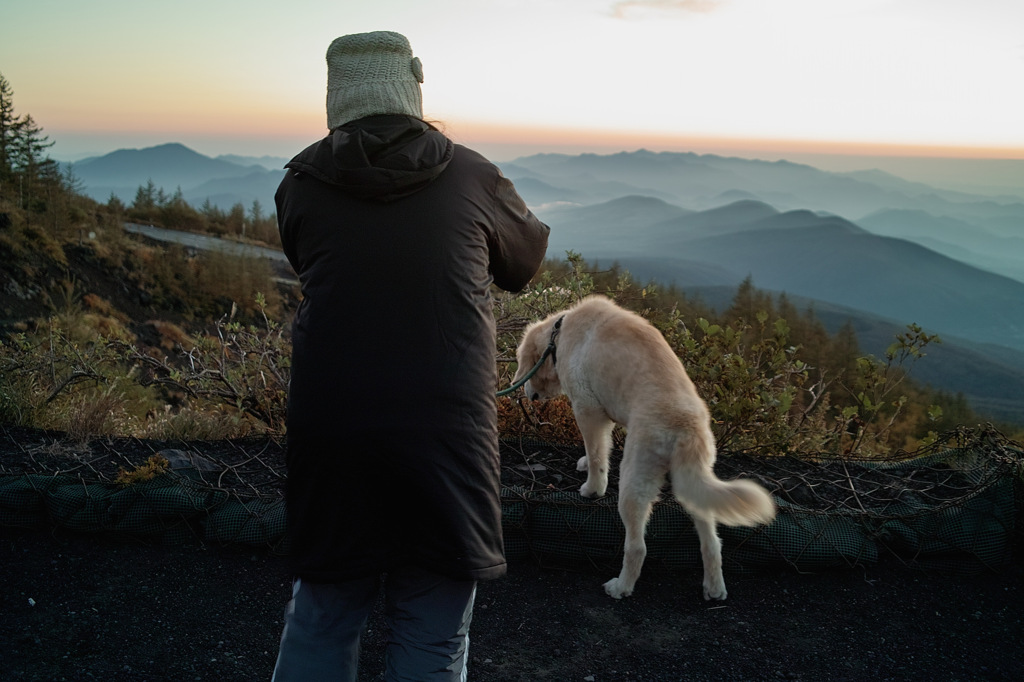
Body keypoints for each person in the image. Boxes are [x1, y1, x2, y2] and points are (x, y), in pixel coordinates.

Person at [271, 30, 550, 681]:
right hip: (447, 435)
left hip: (333, 431)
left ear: (336, 97)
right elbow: (525, 261)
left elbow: (314, 262)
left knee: (322, 617)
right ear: (412, 89)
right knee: (433, 630)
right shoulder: (475, 175)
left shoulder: (300, 183)